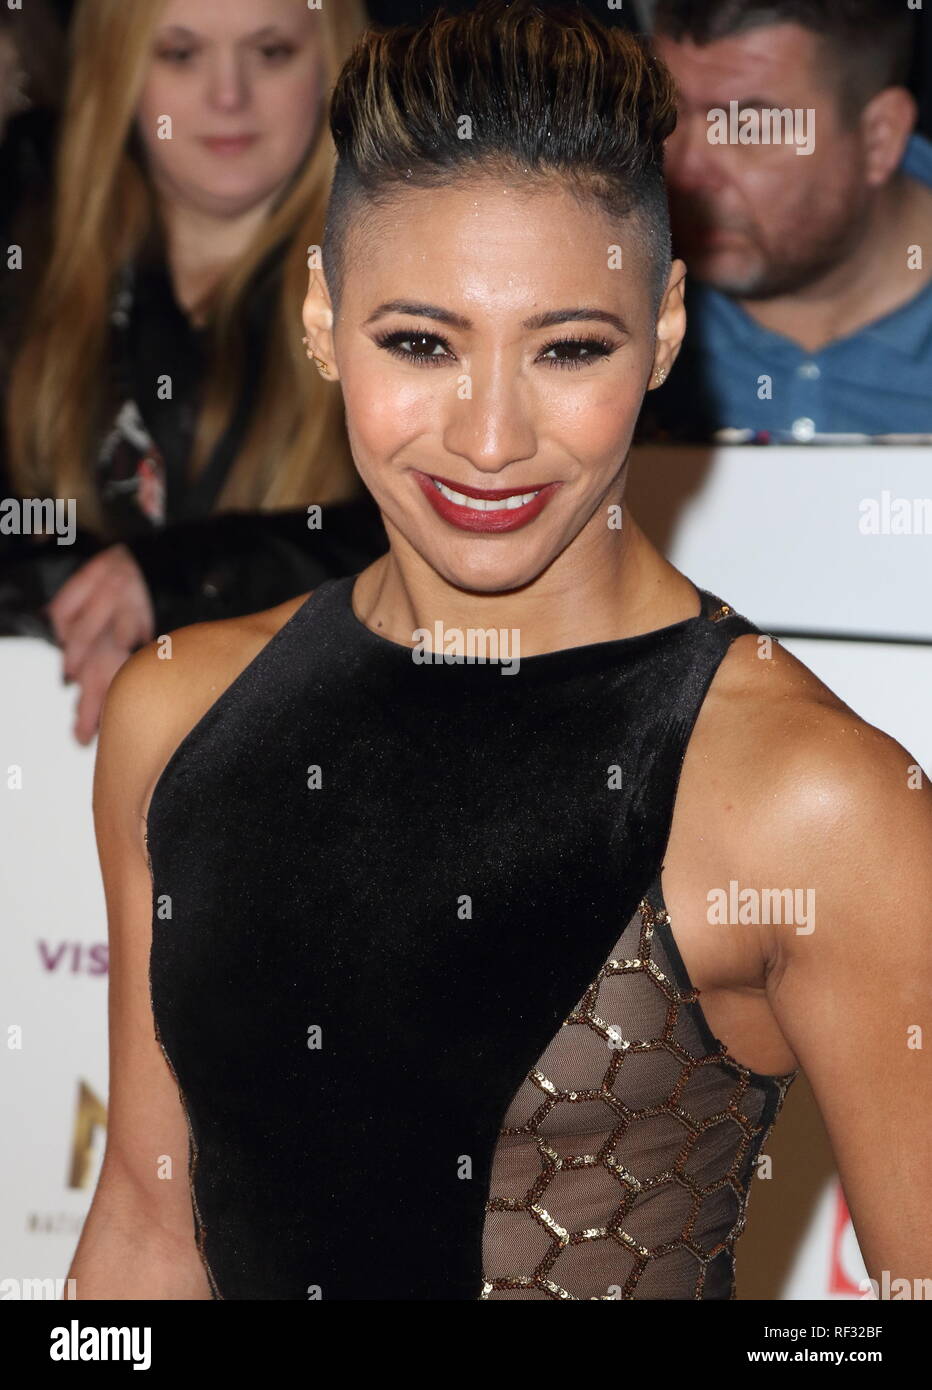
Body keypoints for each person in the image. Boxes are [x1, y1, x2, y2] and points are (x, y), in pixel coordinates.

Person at [69, 0, 932, 1301]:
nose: (487, 440)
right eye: (421, 342)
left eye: (568, 348)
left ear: (666, 329)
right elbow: (144, 1222)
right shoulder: (177, 711)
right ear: (320, 314)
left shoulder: (811, 799)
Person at [1, 0, 386, 743]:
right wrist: (88, 593)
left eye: (270, 52)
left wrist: (176, 582)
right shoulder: (27, 231)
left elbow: (453, 547)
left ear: (333, 63)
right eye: (180, 54)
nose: (228, 95)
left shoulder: (415, 262)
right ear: (120, 71)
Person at [641, 0, 932, 442]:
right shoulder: (612, 289)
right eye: (669, 115)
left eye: (750, 126)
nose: (685, 171)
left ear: (879, 137)